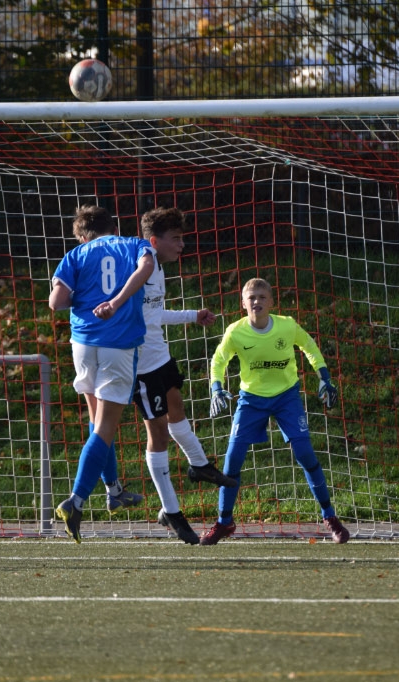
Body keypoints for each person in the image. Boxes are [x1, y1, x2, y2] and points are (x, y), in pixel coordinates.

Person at [200, 277, 349, 546]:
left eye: (261, 297)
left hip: (286, 397)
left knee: (305, 453)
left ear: (271, 302)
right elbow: (219, 360)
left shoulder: (287, 326)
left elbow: (309, 346)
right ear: (243, 303)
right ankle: (224, 522)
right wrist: (216, 387)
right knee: (232, 460)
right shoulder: (235, 332)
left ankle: (330, 518)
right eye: (251, 297)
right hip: (251, 400)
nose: (256, 301)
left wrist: (324, 377)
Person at [49, 205, 156, 542]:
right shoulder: (134, 244)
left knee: (97, 422)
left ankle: (114, 490)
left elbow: (56, 302)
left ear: (83, 236)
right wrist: (116, 301)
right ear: (115, 227)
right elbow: (146, 268)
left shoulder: (75, 255)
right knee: (106, 426)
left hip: (82, 343)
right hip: (117, 343)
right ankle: (76, 500)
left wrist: (85, 297)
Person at [131, 207, 237, 545]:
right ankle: (171, 511)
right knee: (158, 435)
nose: (182, 245)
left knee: (177, 407)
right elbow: (126, 309)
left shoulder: (156, 267)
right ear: (154, 241)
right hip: (140, 364)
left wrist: (193, 315)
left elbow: (153, 314)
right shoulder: (139, 264)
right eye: (175, 238)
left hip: (160, 355)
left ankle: (199, 464)